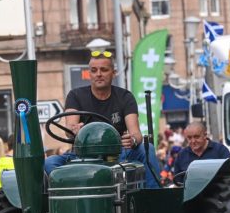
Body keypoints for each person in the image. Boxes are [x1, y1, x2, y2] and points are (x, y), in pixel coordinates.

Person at [44, 51, 160, 188]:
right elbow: (70, 127)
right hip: (83, 156)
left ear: (113, 73)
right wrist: (74, 130)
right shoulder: (76, 95)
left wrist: (132, 140)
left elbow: (136, 133)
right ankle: (71, 198)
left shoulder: (125, 97)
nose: (98, 74)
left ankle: (153, 197)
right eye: (94, 70)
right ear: (89, 74)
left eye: (104, 70)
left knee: (147, 149)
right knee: (50, 162)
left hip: (117, 154)